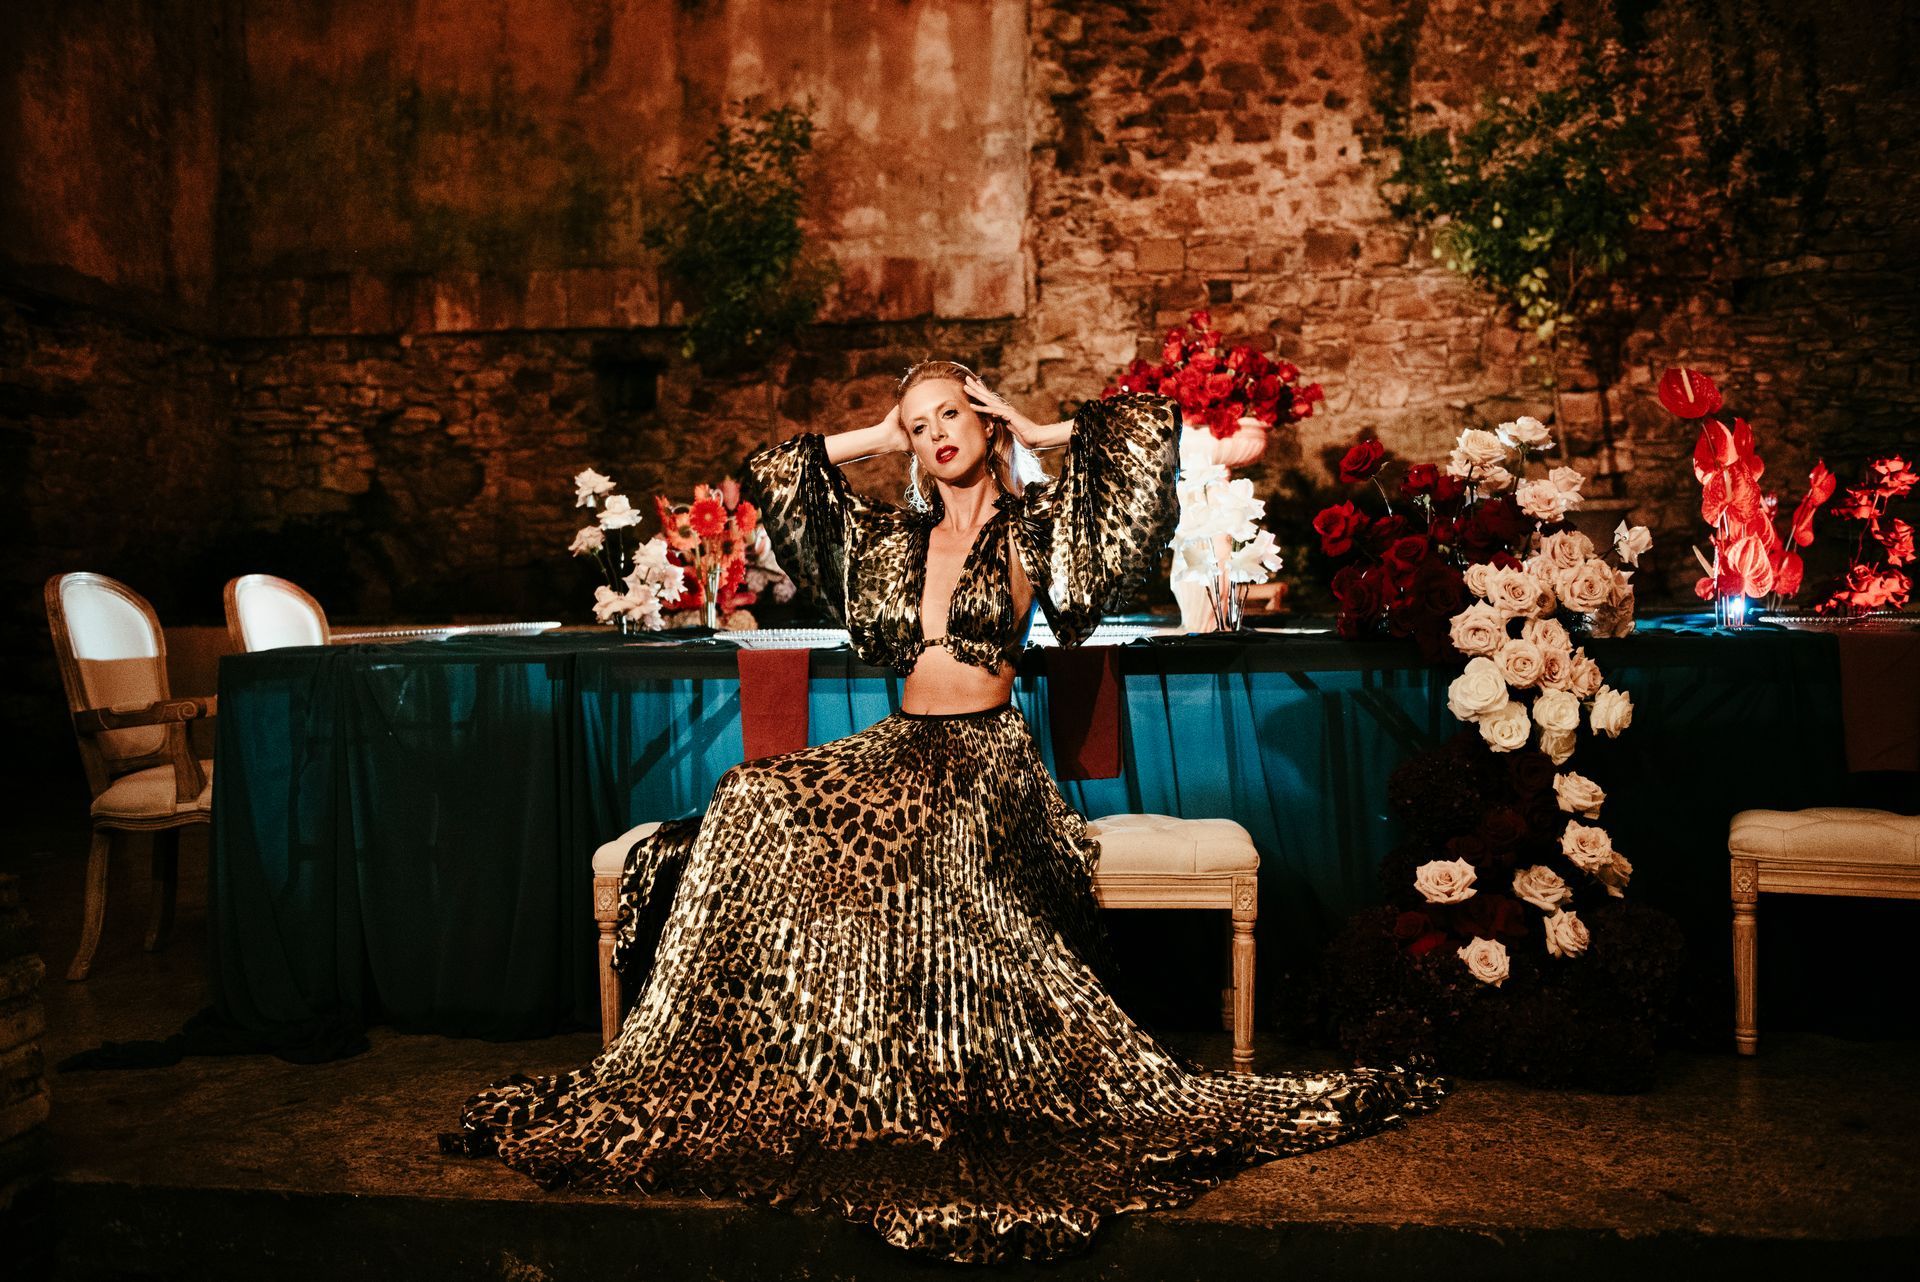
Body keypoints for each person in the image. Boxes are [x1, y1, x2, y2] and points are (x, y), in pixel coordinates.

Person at [441, 360, 1449, 1263]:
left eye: (951, 413)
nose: (937, 433)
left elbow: (1151, 432)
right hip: (899, 747)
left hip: (984, 761)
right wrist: (878, 433)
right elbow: (771, 471)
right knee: (750, 795)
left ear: (986, 420)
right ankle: (805, 1065)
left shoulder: (1038, 528)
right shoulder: (889, 537)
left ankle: (919, 1074)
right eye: (921, 424)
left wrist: (1043, 430)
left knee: (920, 841)